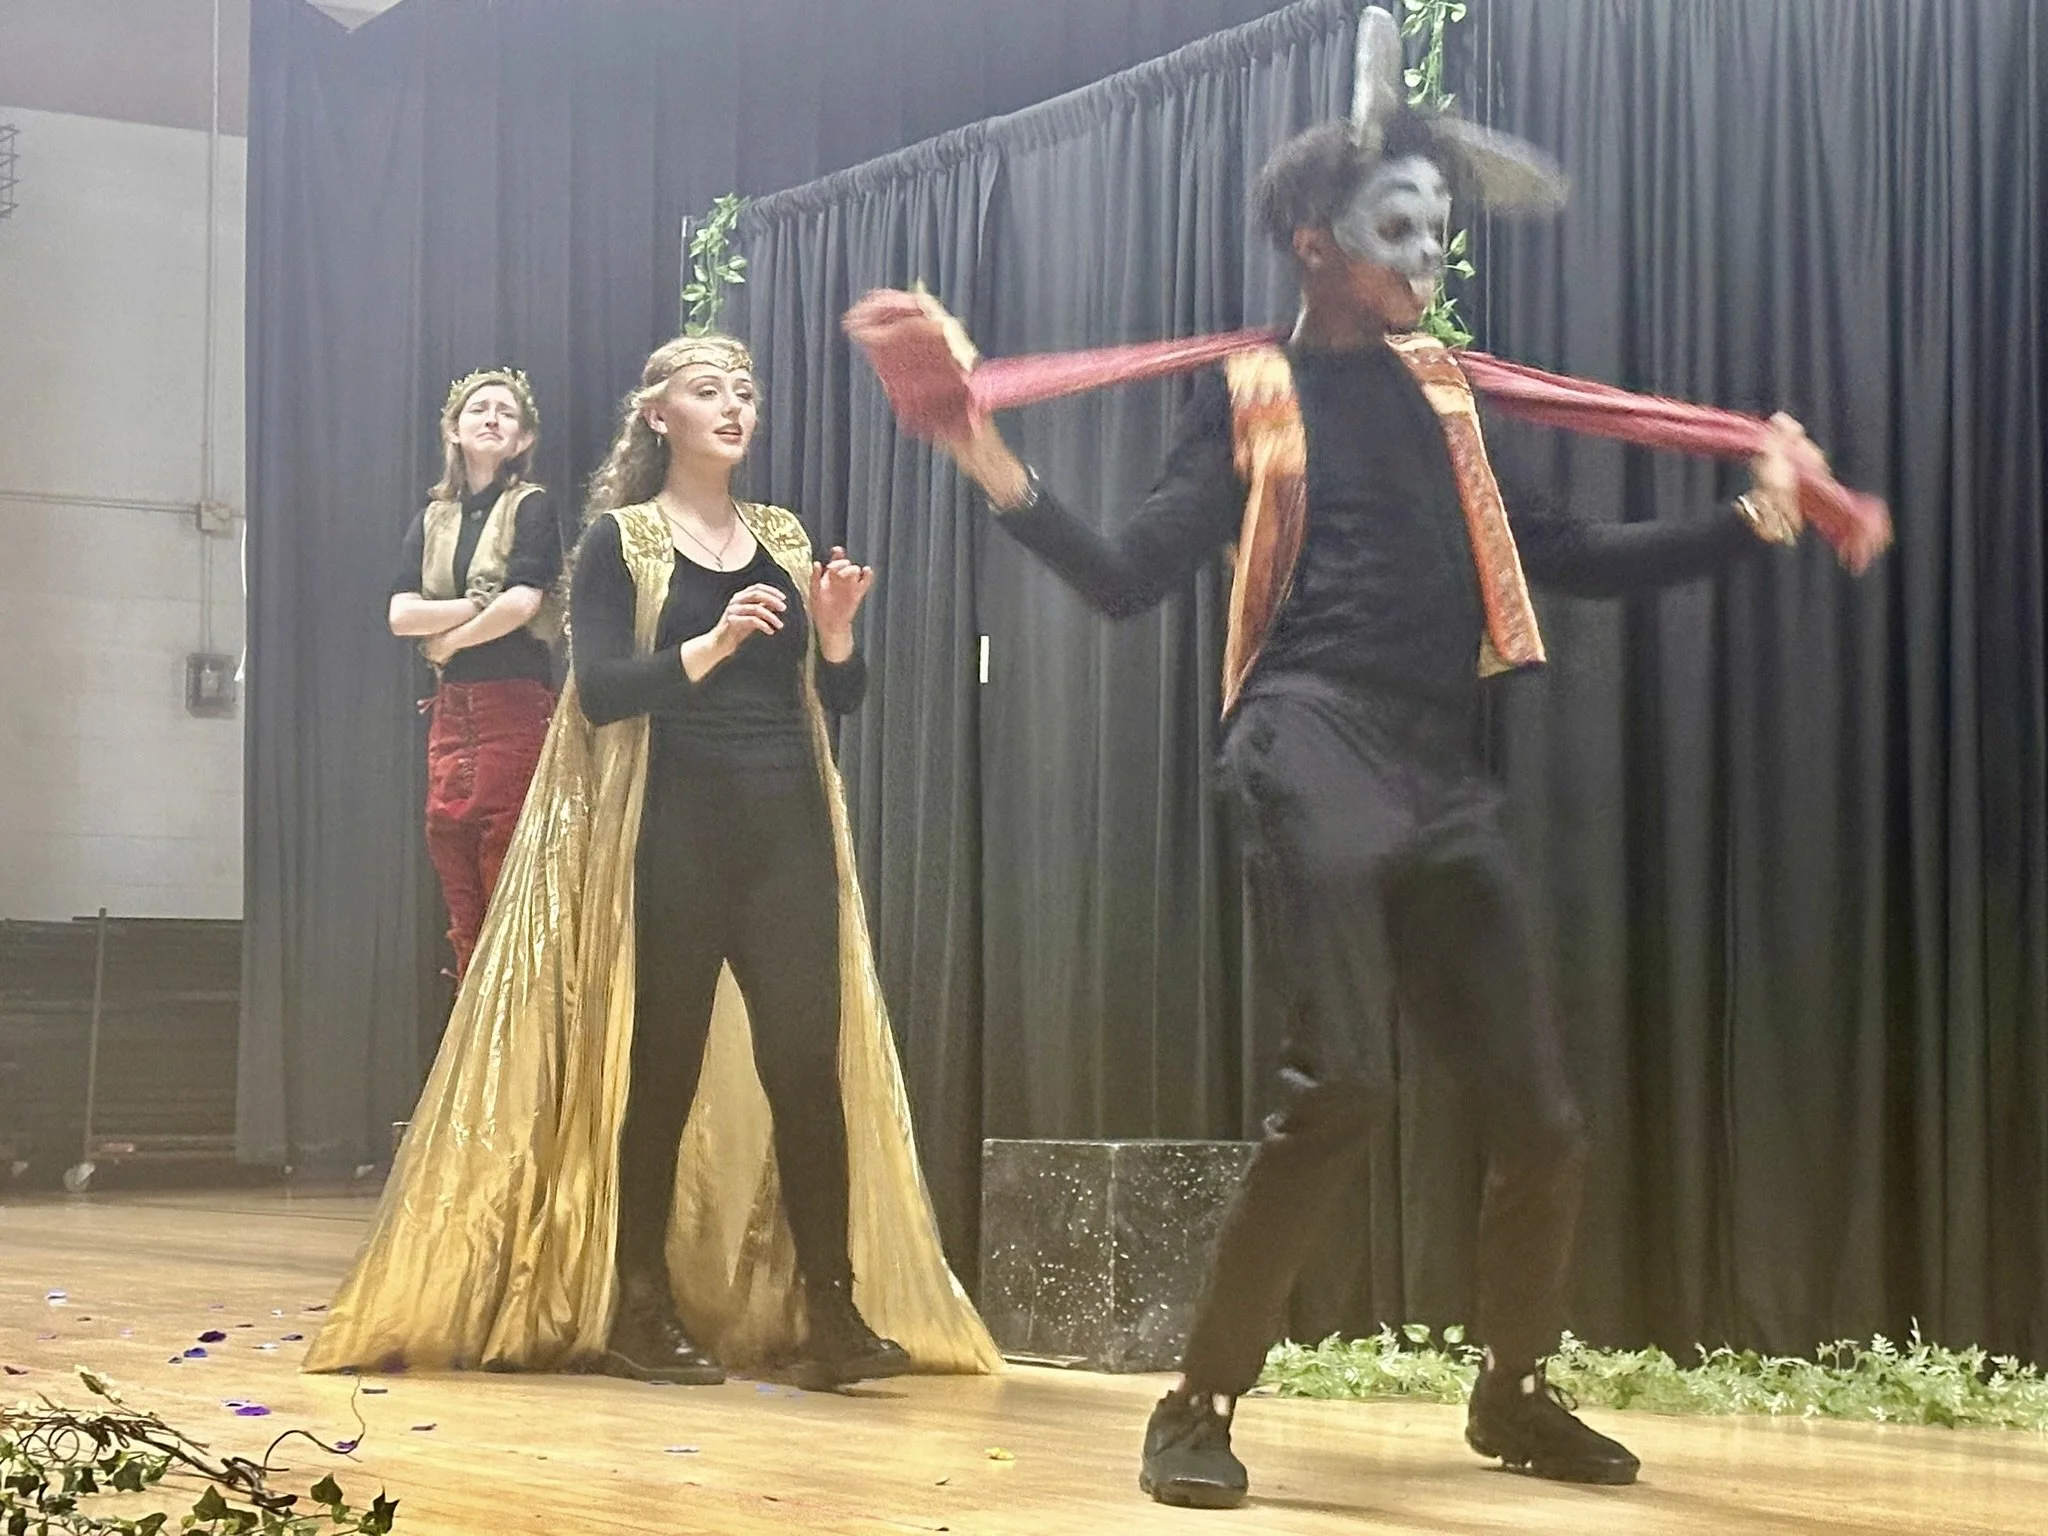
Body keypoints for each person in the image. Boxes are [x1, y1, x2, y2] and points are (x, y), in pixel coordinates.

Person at [934, 12, 1860, 1506]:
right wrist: (986, 454)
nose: (1428, 257)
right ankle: (1201, 1400)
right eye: (1398, 229)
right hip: (1303, 740)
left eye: (1437, 229)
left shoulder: (1449, 395)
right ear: (1315, 243)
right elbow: (1126, 574)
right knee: (1346, 1085)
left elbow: (1564, 553)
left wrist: (1747, 521)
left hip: (1439, 771)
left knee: (1543, 1118)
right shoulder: (1246, 396)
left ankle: (1513, 1394)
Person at [304, 334, 999, 1389]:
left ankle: (831, 1311)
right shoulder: (616, 542)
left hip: (786, 832)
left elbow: (839, 702)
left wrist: (838, 633)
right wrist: (709, 646)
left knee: (807, 1072)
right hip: (674, 831)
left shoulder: (780, 534)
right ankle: (638, 1304)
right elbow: (599, 693)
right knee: (660, 1069)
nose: (735, 406)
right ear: (657, 416)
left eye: (746, 393)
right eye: (709, 391)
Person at [387, 369, 566, 982]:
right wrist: (474, 607)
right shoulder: (433, 517)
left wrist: (446, 645)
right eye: (479, 410)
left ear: (521, 440)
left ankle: (512, 996)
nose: (492, 418)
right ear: (454, 431)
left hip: (513, 698)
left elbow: (524, 603)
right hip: (453, 707)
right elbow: (399, 614)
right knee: (448, 839)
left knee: (505, 847)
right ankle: (471, 1000)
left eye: (506, 413)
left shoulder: (532, 506)